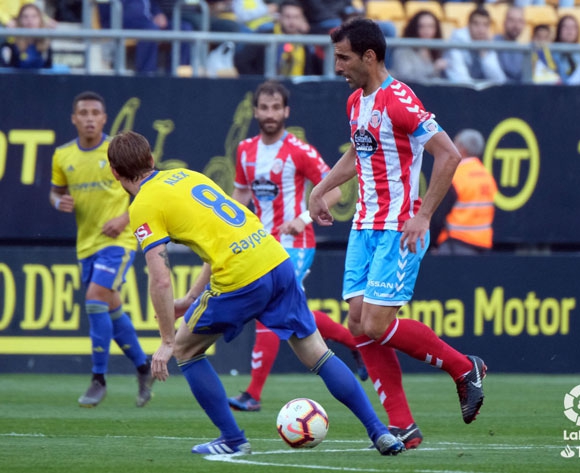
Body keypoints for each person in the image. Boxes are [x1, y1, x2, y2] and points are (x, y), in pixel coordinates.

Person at [106, 130, 405, 456]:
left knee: (185, 350)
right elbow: (217, 238)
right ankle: (379, 432)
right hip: (276, 259)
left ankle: (233, 439)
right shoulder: (185, 175)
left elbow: (160, 278)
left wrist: (165, 341)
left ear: (115, 173)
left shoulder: (143, 205)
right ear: (151, 160)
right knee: (318, 354)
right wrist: (192, 298)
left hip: (241, 275)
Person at [308, 18, 487, 435]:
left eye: (344, 57)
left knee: (375, 325)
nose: (337, 66)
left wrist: (423, 216)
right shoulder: (356, 102)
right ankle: (403, 426)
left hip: (397, 228)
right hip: (364, 226)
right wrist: (321, 188)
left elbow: (448, 156)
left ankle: (465, 369)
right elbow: (359, 151)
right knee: (356, 322)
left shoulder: (400, 100)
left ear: (370, 57)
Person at [227, 80, 367, 413]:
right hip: (261, 244)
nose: (270, 113)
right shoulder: (245, 150)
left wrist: (304, 218)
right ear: (256, 111)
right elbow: (240, 198)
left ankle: (253, 394)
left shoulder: (298, 150)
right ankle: (354, 342)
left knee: (268, 307)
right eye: (265, 107)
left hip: (296, 243)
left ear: (286, 111)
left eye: (277, 107)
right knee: (294, 315)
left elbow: (334, 191)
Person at [49, 91, 153, 408]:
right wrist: (58, 201)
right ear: (74, 118)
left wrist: (125, 218)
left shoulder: (116, 152)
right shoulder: (62, 156)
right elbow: (54, 193)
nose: (90, 117)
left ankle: (98, 379)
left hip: (118, 243)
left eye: (96, 112)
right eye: (84, 112)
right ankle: (143, 367)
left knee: (95, 299)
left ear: (105, 118)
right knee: (111, 308)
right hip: (87, 245)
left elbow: (150, 188)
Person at [430, 129, 498, 255]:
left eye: (454, 143)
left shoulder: (456, 176)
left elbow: (438, 215)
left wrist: (431, 244)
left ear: (462, 149)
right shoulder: (487, 176)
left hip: (455, 245)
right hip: (482, 246)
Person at [234, 0, 322, 76]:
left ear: (302, 19)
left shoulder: (307, 42)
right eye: (287, 17)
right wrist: (257, 83)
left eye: (296, 17)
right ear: (279, 17)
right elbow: (241, 61)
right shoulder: (264, 37)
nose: (292, 22)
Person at [444, 6, 506, 84]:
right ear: (468, 25)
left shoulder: (487, 42)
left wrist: (485, 55)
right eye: (476, 24)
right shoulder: (457, 40)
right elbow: (459, 77)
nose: (481, 29)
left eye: (485, 25)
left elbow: (499, 80)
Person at [390, 10, 448, 83]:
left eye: (431, 26)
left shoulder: (438, 49)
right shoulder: (403, 50)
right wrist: (433, 69)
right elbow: (405, 78)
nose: (427, 31)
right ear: (414, 28)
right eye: (422, 26)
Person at [0, 3, 52, 69]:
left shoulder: (46, 47)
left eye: (34, 16)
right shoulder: (8, 48)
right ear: (19, 20)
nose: (30, 20)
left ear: (40, 20)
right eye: (25, 16)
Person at [494, 5, 526, 83]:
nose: (516, 25)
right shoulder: (493, 43)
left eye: (519, 21)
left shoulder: (524, 49)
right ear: (504, 23)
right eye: (511, 20)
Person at [551, 14, 580, 83]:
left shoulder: (579, 51)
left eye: (573, 27)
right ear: (559, 30)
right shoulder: (552, 52)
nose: (570, 30)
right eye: (565, 27)